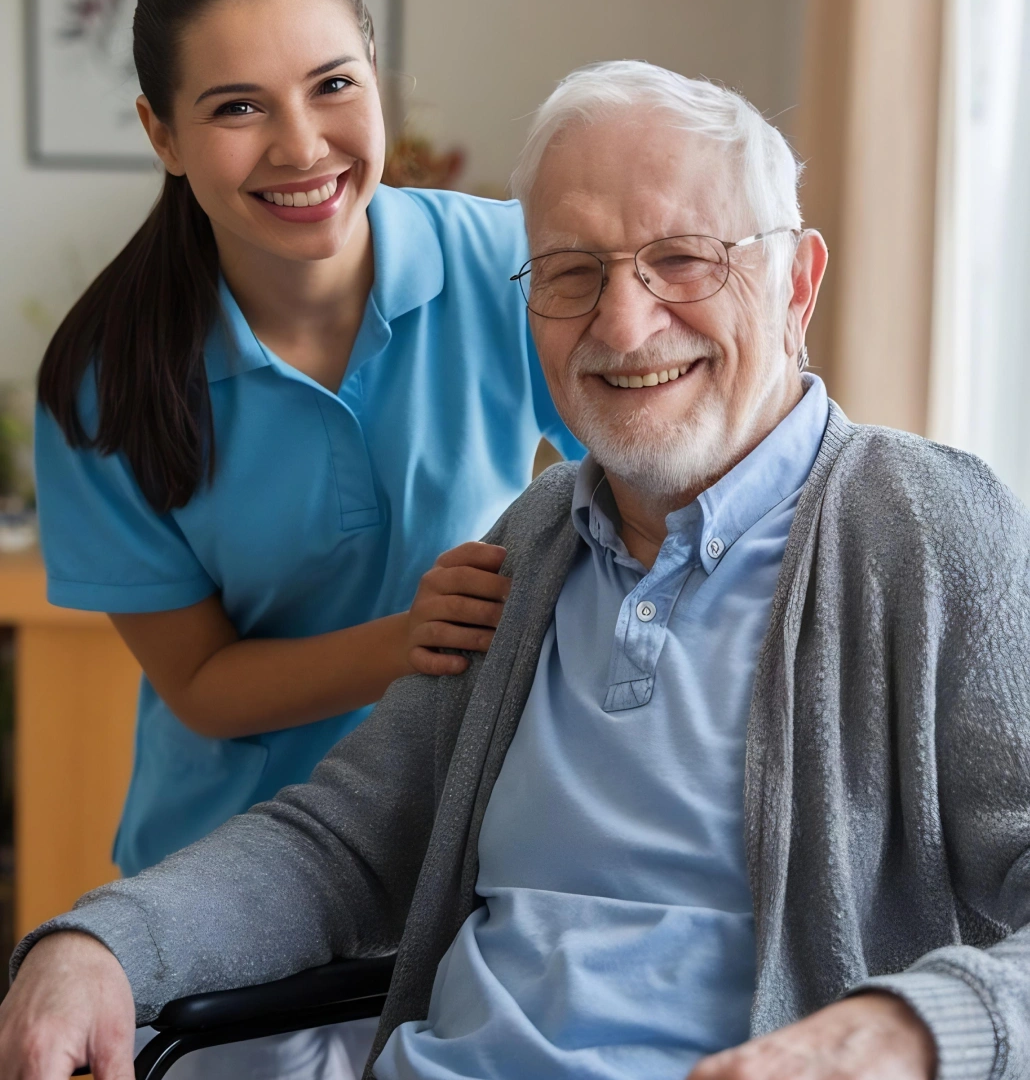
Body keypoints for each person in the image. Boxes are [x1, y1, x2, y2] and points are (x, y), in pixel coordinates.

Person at [4, 61, 1026, 1080]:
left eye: (682, 260)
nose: (623, 328)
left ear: (795, 281)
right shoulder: (532, 541)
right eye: (572, 273)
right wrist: (100, 943)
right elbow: (342, 847)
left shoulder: (922, 527)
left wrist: (911, 1029)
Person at [30, 0, 581, 1079]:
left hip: (473, 859)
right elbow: (203, 686)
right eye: (237, 107)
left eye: (332, 84)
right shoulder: (105, 381)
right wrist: (415, 638)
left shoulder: (508, 264)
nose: (300, 145)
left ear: (377, 84)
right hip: (229, 903)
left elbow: (640, 482)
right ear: (162, 133)